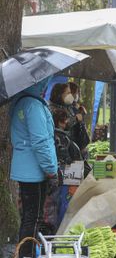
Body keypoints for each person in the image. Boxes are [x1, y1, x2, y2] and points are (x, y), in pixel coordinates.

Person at [10, 78, 59, 258]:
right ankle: (26, 254)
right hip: (35, 171)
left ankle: (25, 252)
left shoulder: (21, 102)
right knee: (34, 217)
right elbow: (41, 142)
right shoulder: (33, 106)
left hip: (25, 169)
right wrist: (51, 169)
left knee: (30, 216)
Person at [49, 83, 90, 153]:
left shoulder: (68, 107)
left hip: (74, 147)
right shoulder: (51, 109)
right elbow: (62, 125)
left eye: (70, 93)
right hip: (62, 148)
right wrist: (75, 119)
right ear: (59, 94)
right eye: (68, 93)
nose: (70, 95)